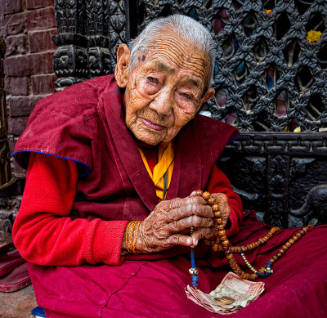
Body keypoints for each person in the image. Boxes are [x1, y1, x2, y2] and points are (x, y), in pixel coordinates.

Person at [11, 14, 327, 318]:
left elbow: (226, 201)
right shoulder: (71, 122)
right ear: (124, 66)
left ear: (205, 99)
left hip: (187, 257)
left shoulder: (190, 132)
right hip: (107, 265)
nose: (162, 107)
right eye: (152, 80)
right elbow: (34, 232)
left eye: (185, 94)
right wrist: (134, 236)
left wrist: (216, 216)